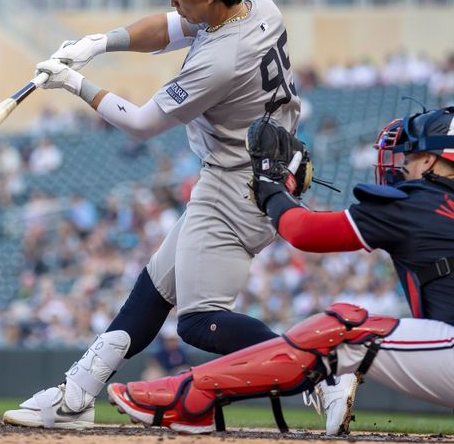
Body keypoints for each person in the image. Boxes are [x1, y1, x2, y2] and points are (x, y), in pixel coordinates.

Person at [3, 0, 352, 431]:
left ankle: (321, 372)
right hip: (256, 171)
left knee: (199, 321)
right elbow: (170, 28)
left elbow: (143, 123)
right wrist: (99, 43)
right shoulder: (256, 4)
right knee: (151, 291)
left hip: (238, 184)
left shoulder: (222, 58)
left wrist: (76, 84)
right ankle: (76, 396)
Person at [108, 107, 454, 434]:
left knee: (343, 329)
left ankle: (189, 395)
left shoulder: (422, 204)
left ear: (432, 159)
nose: (402, 165)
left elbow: (304, 232)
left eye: (409, 157)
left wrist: (272, 188)